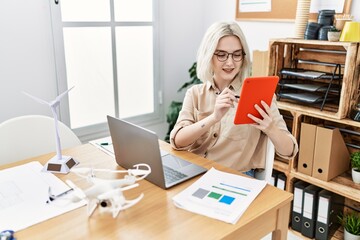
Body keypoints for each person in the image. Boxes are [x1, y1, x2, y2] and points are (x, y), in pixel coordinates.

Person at [169, 21, 298, 177]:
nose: (230, 63)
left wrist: (270, 128)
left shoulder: (259, 96)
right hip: (195, 171)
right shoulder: (195, 93)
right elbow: (177, 142)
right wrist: (214, 118)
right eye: (222, 55)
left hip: (234, 178)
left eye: (237, 55)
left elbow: (290, 151)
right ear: (209, 55)